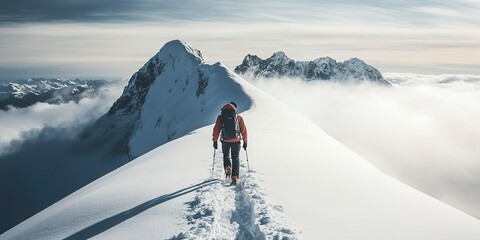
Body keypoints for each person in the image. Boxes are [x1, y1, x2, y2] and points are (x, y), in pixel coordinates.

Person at [212, 101, 248, 185]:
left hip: (225, 140)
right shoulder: (238, 117)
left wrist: (215, 140)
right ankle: (234, 176)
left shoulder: (221, 117)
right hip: (236, 140)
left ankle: (228, 167)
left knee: (226, 155)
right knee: (235, 157)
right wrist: (245, 142)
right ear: (235, 108)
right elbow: (243, 130)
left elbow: (216, 130)